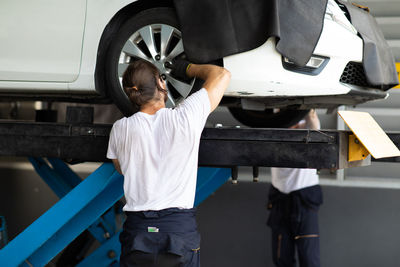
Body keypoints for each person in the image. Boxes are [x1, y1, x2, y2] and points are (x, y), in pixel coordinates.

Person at [107, 59, 230, 266]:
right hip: (177, 232)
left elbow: (121, 168)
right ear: (160, 84)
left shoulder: (121, 129)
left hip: (138, 233)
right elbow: (222, 75)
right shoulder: (186, 116)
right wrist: (188, 69)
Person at [267, 110, 323, 267]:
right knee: (281, 259)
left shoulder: (310, 129)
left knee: (309, 259)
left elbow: (311, 115)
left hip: (304, 201)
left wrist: (304, 106)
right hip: (280, 200)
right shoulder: (275, 131)